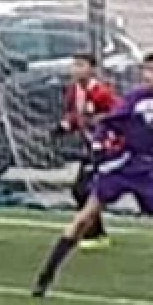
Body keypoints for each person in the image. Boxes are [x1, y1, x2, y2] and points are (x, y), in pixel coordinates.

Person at [33, 51, 153, 302]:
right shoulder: (135, 99)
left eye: (150, 70)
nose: (144, 75)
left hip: (149, 171)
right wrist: (99, 146)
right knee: (84, 218)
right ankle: (45, 277)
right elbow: (109, 121)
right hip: (121, 165)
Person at [62, 54, 119, 250]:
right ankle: (94, 232)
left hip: (106, 147)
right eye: (74, 65)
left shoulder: (101, 92)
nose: (75, 70)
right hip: (90, 145)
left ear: (92, 69)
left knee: (83, 189)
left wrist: (102, 122)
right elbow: (74, 115)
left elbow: (117, 114)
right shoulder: (74, 90)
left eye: (81, 65)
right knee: (84, 190)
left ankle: (93, 233)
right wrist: (65, 125)